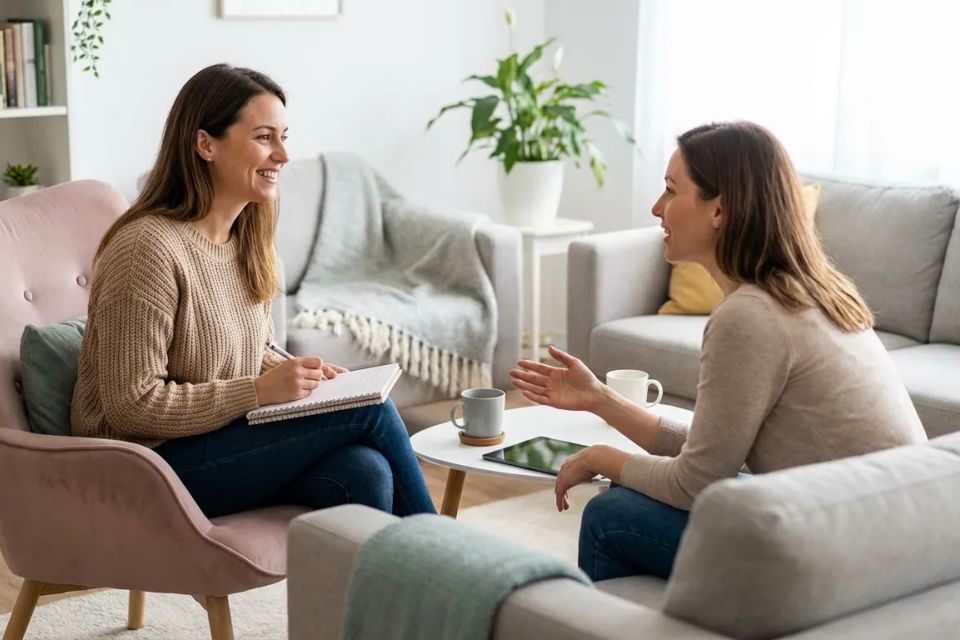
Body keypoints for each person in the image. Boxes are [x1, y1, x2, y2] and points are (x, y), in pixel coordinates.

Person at [510, 121, 926, 581]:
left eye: (671, 190)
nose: (656, 208)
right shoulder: (810, 290)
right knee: (663, 493)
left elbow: (693, 484)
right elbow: (713, 454)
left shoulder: (750, 316)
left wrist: (602, 458)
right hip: (898, 533)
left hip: (848, 554)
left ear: (720, 210)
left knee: (611, 515)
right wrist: (599, 399)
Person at [71, 63, 436, 519]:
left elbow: (251, 349)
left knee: (364, 471)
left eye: (284, 137)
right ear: (205, 144)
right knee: (370, 412)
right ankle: (441, 555)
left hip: (210, 441)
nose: (283, 155)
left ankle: (378, 569)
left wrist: (302, 376)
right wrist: (258, 391)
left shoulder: (246, 239)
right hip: (140, 464)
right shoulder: (145, 249)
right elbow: (132, 404)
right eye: (265, 137)